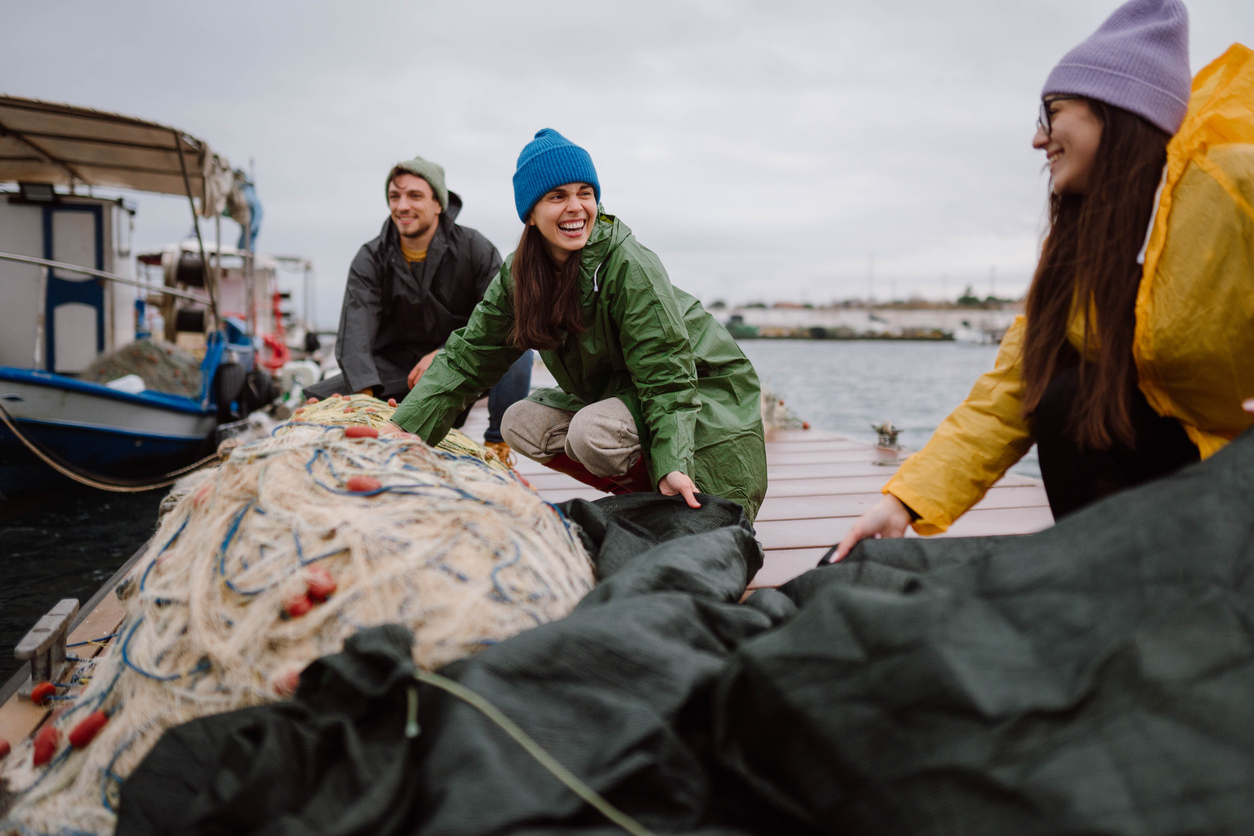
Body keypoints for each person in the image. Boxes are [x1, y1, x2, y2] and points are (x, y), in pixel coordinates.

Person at [835, 0, 1254, 560]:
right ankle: (1111, 580)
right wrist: (903, 502)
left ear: (1114, 108)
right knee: (1066, 400)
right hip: (1196, 466)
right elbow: (1012, 389)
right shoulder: (1083, 242)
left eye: (1051, 113)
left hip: (1239, 467)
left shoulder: (1230, 183)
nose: (1038, 138)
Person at [386, 129, 769, 521]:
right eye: (557, 196)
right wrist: (405, 429)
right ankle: (644, 495)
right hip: (624, 393)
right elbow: (469, 357)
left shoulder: (627, 263)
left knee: (592, 433)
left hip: (703, 393)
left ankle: (667, 494)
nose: (576, 207)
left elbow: (667, 378)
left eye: (585, 193)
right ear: (530, 214)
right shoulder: (521, 275)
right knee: (519, 422)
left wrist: (674, 463)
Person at [305, 155, 532, 460]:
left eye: (414, 196)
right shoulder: (370, 257)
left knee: (518, 347)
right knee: (318, 400)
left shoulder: (474, 248)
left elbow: (503, 318)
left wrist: (445, 353)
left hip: (463, 365)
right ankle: (376, 427)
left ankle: (497, 445)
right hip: (400, 373)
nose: (402, 206)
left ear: (438, 203)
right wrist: (364, 403)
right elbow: (354, 332)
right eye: (394, 196)